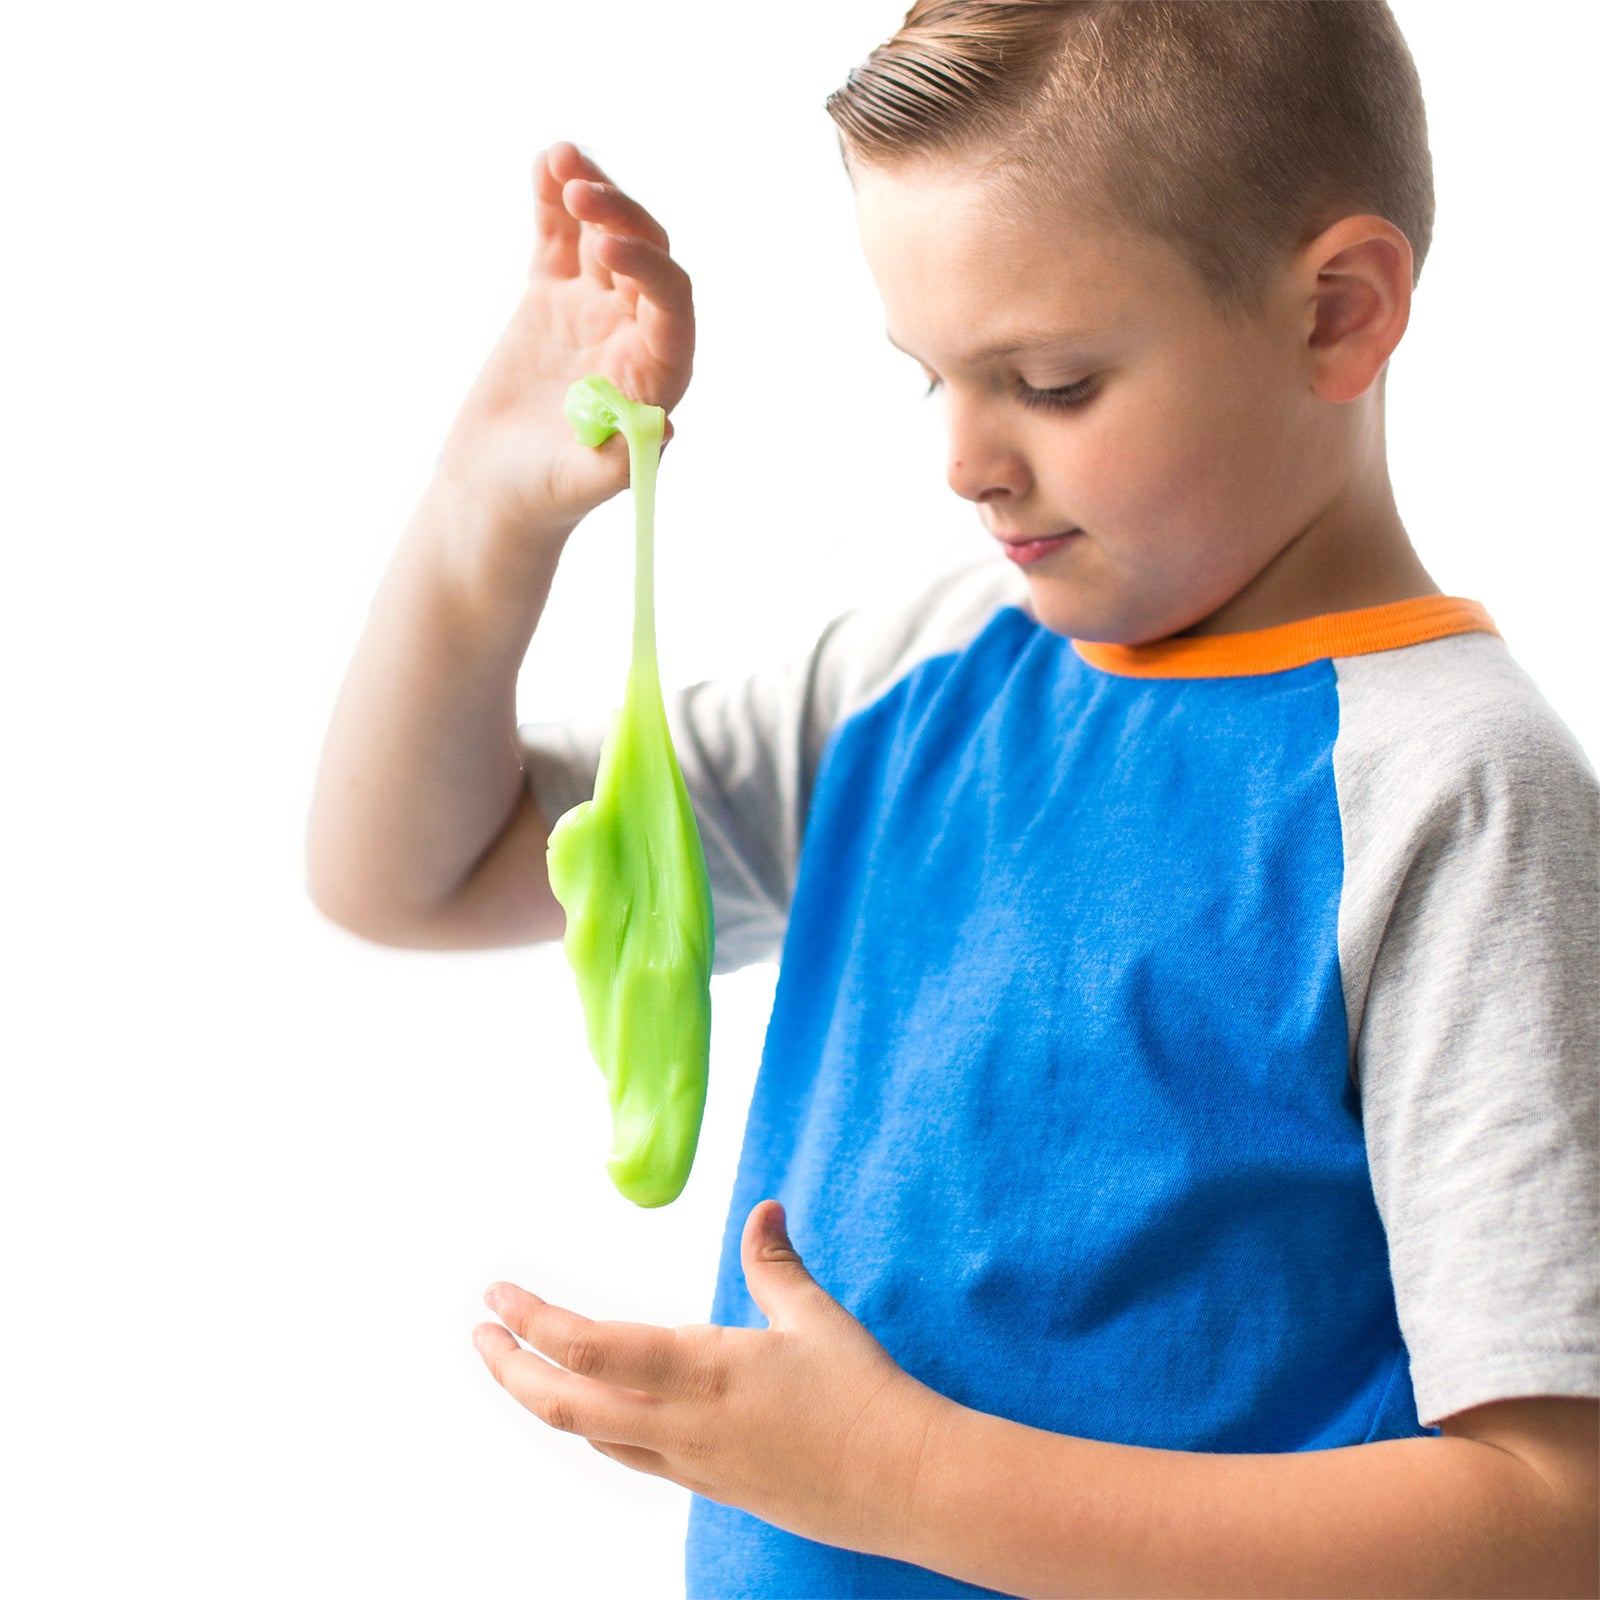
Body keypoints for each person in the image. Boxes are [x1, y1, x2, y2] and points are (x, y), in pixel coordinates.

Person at [305, 2, 1598, 1594]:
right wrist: (482, 519)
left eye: (1049, 383)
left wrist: (901, 1481)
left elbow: (1549, 1521)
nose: (965, 460)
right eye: (931, 379)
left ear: (1337, 312)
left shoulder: (1452, 790)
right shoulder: (925, 679)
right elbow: (412, 872)